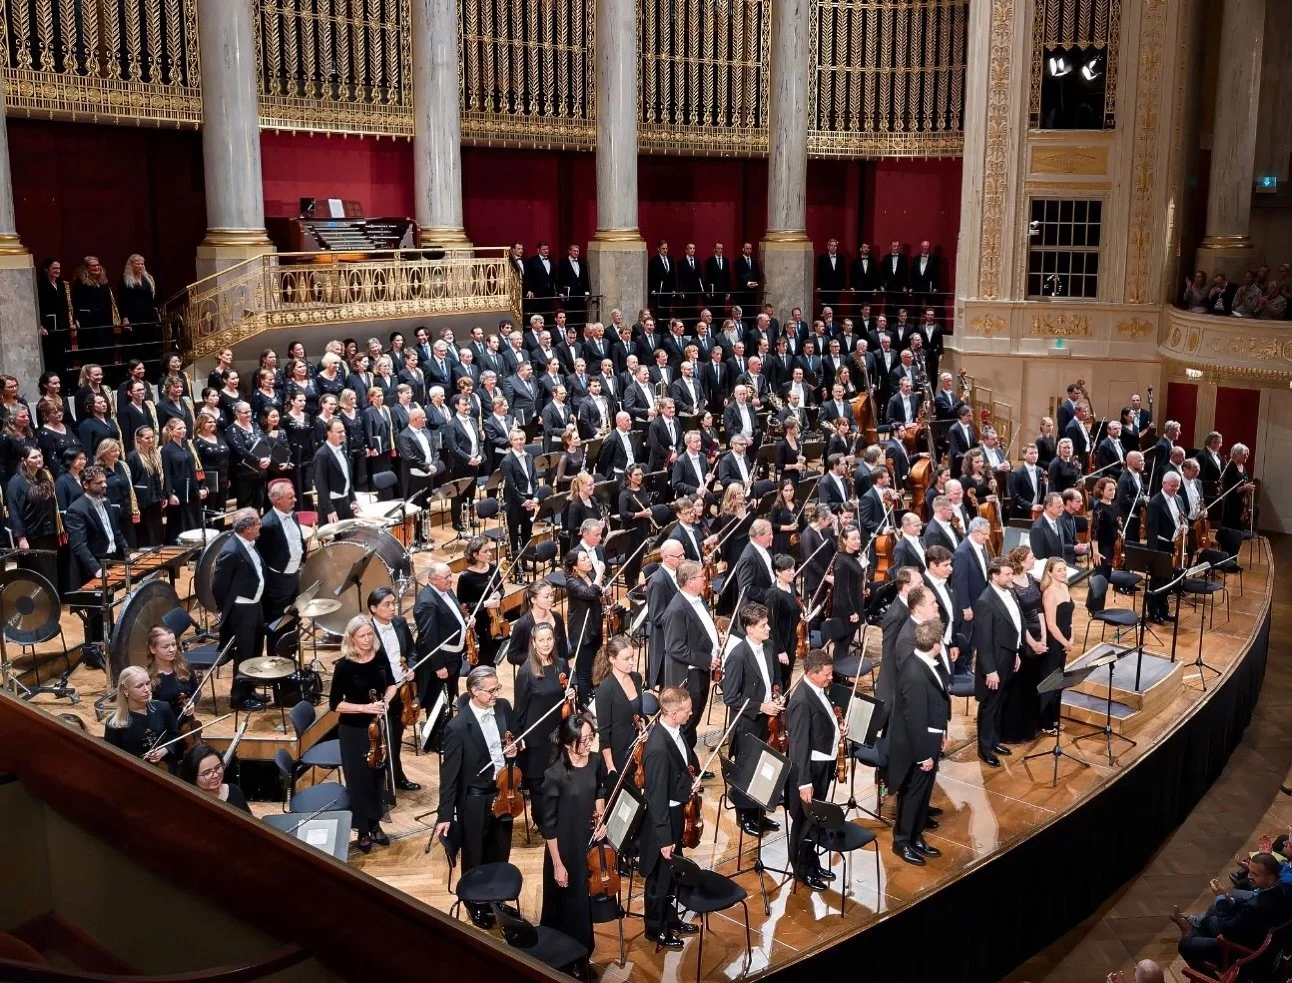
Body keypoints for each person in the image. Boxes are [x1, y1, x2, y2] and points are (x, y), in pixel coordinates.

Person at [434, 666, 520, 929]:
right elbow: (449, 776)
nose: (496, 694)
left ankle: (496, 898)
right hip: (474, 800)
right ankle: (475, 903)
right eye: (491, 690)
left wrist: (514, 750)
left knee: (500, 849)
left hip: (504, 793)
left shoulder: (503, 708)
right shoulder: (457, 727)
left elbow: (511, 741)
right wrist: (445, 814)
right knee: (476, 855)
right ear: (474, 692)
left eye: (497, 688)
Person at [329, 615, 399, 853]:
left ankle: (376, 823)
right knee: (358, 780)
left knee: (378, 775)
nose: (367, 639)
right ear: (352, 638)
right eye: (362, 636)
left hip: (378, 726)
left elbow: (391, 683)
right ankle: (362, 830)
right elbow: (335, 704)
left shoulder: (379, 658)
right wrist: (365, 708)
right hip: (354, 731)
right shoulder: (344, 666)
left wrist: (386, 702)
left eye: (370, 634)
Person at [538, 711, 606, 953]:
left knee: (582, 904)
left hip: (586, 843)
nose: (590, 743)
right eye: (584, 740)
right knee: (566, 904)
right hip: (564, 849)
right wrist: (557, 863)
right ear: (568, 742)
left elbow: (599, 789)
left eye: (591, 737)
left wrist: (600, 818)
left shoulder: (596, 761)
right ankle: (560, 956)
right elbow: (549, 825)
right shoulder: (555, 775)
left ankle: (581, 953)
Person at [640, 685, 702, 948]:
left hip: (677, 812)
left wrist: (691, 782)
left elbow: (681, 767)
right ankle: (656, 929)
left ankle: (672, 920)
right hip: (662, 824)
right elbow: (656, 799)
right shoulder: (656, 749)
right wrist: (665, 838)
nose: (691, 714)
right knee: (659, 879)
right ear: (673, 712)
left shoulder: (676, 732)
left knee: (672, 874)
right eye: (687, 711)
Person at [889, 620, 950, 866]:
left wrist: (941, 732)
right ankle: (902, 841)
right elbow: (914, 721)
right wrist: (924, 755)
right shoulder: (914, 673)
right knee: (913, 796)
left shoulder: (924, 662)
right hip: (918, 748)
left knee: (923, 795)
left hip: (931, 739)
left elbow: (935, 703)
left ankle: (915, 836)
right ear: (935, 645)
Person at [722, 602, 784, 836]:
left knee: (765, 770)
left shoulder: (769, 647)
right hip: (748, 723)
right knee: (748, 771)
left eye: (767, 624)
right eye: (763, 626)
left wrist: (778, 697)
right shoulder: (737, 656)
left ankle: (760, 814)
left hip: (770, 720)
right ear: (749, 628)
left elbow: (776, 678)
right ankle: (745, 816)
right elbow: (730, 697)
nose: (768, 629)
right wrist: (762, 707)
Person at [786, 648, 845, 890]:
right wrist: (804, 782)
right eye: (826, 674)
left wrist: (838, 730)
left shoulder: (819, 691)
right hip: (810, 771)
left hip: (823, 764)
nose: (830, 678)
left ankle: (812, 863)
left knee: (815, 821)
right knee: (804, 823)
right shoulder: (801, 701)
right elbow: (799, 746)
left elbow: (823, 723)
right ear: (811, 674)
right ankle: (802, 870)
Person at [1170, 854, 1291, 971]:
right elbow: (1246, 912)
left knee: (1185, 945)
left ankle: (1211, 978)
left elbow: (1227, 930)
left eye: (1254, 874)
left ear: (1270, 877)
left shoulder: (1256, 906)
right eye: (1249, 871)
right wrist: (1228, 899)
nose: (1249, 876)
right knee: (1209, 919)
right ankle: (1190, 930)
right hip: (1263, 943)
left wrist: (1221, 899)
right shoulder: (1282, 891)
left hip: (1242, 952)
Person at [662, 561, 721, 752]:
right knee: (686, 724)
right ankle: (686, 769)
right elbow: (674, 647)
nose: (705, 579)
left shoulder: (698, 599)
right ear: (689, 581)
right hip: (688, 677)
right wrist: (706, 660)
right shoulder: (676, 609)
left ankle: (690, 765)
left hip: (701, 672)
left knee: (693, 721)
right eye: (700, 576)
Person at [213, 509, 267, 711]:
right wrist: (225, 609)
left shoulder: (249, 544)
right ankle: (238, 697)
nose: (261, 526)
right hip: (241, 610)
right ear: (248, 528)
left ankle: (250, 690)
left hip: (255, 605)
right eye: (258, 523)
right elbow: (219, 586)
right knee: (244, 654)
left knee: (254, 650)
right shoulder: (231, 551)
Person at [367, 586, 420, 793]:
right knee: (379, 740)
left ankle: (397, 776)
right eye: (387, 605)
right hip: (379, 694)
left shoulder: (399, 622)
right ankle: (378, 783)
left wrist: (412, 667)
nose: (393, 608)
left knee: (395, 737)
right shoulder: (366, 630)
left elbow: (412, 650)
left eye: (393, 603)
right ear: (373, 608)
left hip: (402, 690)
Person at [515, 622, 574, 801]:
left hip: (559, 731)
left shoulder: (561, 665)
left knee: (561, 780)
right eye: (541, 640)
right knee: (540, 786)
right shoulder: (526, 671)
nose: (546, 643)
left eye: (549, 639)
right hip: (537, 735)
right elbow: (519, 707)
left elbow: (567, 700)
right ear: (534, 643)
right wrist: (518, 736)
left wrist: (571, 694)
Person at [974, 556, 1023, 767]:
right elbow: (983, 640)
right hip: (995, 660)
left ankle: (994, 741)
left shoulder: (1008, 592)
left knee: (1000, 702)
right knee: (990, 705)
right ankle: (984, 749)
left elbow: (1014, 625)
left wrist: (1017, 653)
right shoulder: (985, 601)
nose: (1011, 577)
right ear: (994, 576)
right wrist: (990, 670)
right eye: (1008, 574)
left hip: (1009, 655)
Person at [999, 545, 1047, 744]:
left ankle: (1032, 726)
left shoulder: (1031, 579)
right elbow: (1019, 619)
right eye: (1031, 558)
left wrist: (1044, 636)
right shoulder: (1012, 587)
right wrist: (1033, 643)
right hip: (1023, 638)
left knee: (1034, 684)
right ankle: (1014, 731)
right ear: (1020, 562)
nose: (1034, 560)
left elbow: (1040, 608)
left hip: (1038, 634)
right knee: (1020, 686)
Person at [414, 561, 472, 709]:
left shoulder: (446, 589)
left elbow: (455, 612)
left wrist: (466, 620)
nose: (450, 580)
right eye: (446, 577)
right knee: (438, 703)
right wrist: (439, 666)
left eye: (450, 576)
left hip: (454, 657)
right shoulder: (426, 602)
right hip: (441, 662)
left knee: (449, 695)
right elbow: (429, 638)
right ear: (432, 580)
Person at [259, 480, 306, 659]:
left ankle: (290, 659)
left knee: (293, 620)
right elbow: (263, 558)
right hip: (277, 583)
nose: (295, 500)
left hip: (293, 578)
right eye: (290, 497)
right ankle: (276, 662)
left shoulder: (293, 515)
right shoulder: (267, 524)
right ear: (277, 500)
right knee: (278, 624)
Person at [6, 446, 59, 589]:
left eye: (40, 456)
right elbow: (14, 512)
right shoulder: (16, 482)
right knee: (36, 573)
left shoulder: (43, 477)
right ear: (24, 461)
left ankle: (51, 604)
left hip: (48, 533)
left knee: (49, 572)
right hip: (32, 536)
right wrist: (21, 539)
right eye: (34, 457)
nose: (39, 459)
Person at [594, 636, 644, 786]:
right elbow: (604, 734)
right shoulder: (605, 689)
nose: (631, 662)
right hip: (617, 757)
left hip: (637, 753)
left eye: (632, 657)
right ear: (612, 659)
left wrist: (642, 724)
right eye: (626, 658)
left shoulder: (636, 678)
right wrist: (611, 767)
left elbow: (638, 715)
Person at [104, 665, 177, 769]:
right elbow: (111, 759)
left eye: (148, 683)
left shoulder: (163, 708)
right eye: (139, 686)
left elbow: (175, 735)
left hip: (166, 770)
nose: (147, 689)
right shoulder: (114, 723)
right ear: (125, 689)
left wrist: (164, 750)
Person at [64, 465, 124, 589]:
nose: (104, 485)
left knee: (109, 602)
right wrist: (96, 568)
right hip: (93, 565)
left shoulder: (106, 502)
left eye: (104, 481)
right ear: (86, 485)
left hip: (109, 559)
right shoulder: (76, 510)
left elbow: (116, 532)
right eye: (99, 483)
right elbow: (79, 545)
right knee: (97, 606)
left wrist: (128, 552)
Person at [455, 536, 505, 669]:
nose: (490, 554)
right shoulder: (466, 577)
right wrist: (485, 604)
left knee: (493, 659)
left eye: (489, 550)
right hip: (478, 625)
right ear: (475, 555)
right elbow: (463, 605)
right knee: (482, 661)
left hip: (494, 621)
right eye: (485, 551)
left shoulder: (493, 569)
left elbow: (501, 588)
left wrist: (499, 595)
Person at [1038, 556, 1074, 735]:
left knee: (1059, 681)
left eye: (1064, 569)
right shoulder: (1049, 593)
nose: (1063, 572)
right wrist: (1065, 642)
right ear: (1050, 572)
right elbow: (1051, 624)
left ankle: (1054, 719)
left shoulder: (1065, 587)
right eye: (1059, 570)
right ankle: (1045, 723)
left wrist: (1072, 637)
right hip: (1055, 642)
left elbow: (1069, 619)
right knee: (1051, 681)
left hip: (1065, 640)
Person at [159, 419, 204, 542]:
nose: (183, 430)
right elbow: (166, 473)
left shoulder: (186, 447)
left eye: (184, 427)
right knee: (178, 524)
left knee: (193, 521)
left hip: (191, 491)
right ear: (171, 431)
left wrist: (198, 488)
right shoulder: (166, 450)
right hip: (178, 493)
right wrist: (170, 493)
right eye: (179, 428)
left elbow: (193, 471)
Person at [508, 581, 570, 667]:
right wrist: (539, 658)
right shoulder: (522, 624)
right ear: (533, 599)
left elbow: (563, 649)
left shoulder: (557, 617)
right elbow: (512, 656)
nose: (551, 599)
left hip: (555, 670)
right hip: (534, 672)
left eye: (552, 595)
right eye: (546, 596)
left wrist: (565, 671)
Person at [179, 743, 250, 813]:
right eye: (207, 773)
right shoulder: (188, 804)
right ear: (192, 776)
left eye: (218, 767)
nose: (215, 775)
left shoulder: (234, 791)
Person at [146, 625, 196, 722]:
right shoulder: (147, 676)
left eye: (173, 644)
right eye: (165, 647)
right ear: (152, 649)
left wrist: (191, 702)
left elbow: (196, 691)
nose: (172, 650)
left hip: (186, 724)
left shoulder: (185, 667)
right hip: (162, 726)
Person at [765, 555, 801, 689]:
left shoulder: (791, 586)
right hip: (781, 643)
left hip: (792, 639)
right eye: (788, 570)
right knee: (781, 679)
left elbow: (797, 603)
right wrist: (780, 650)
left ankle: (786, 706)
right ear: (778, 572)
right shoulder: (773, 594)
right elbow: (771, 624)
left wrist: (803, 613)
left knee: (788, 677)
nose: (792, 572)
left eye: (793, 568)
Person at [127, 426, 165, 547]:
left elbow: (158, 477)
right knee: (146, 532)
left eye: (152, 437)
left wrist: (162, 495)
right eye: (147, 438)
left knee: (157, 530)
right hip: (143, 501)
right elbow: (131, 481)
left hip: (156, 498)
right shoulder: (133, 457)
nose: (151, 440)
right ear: (138, 439)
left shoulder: (155, 454)